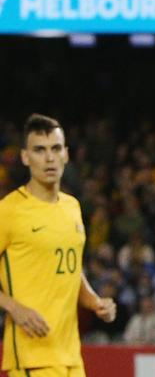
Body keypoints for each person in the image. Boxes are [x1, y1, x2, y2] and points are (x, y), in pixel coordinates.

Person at [0, 113, 116, 377]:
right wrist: (14, 307)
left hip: (70, 356)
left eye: (55, 149)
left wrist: (95, 301)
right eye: (39, 150)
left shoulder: (72, 207)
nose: (49, 158)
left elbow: (70, 268)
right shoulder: (8, 211)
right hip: (33, 357)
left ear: (66, 154)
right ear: (25, 157)